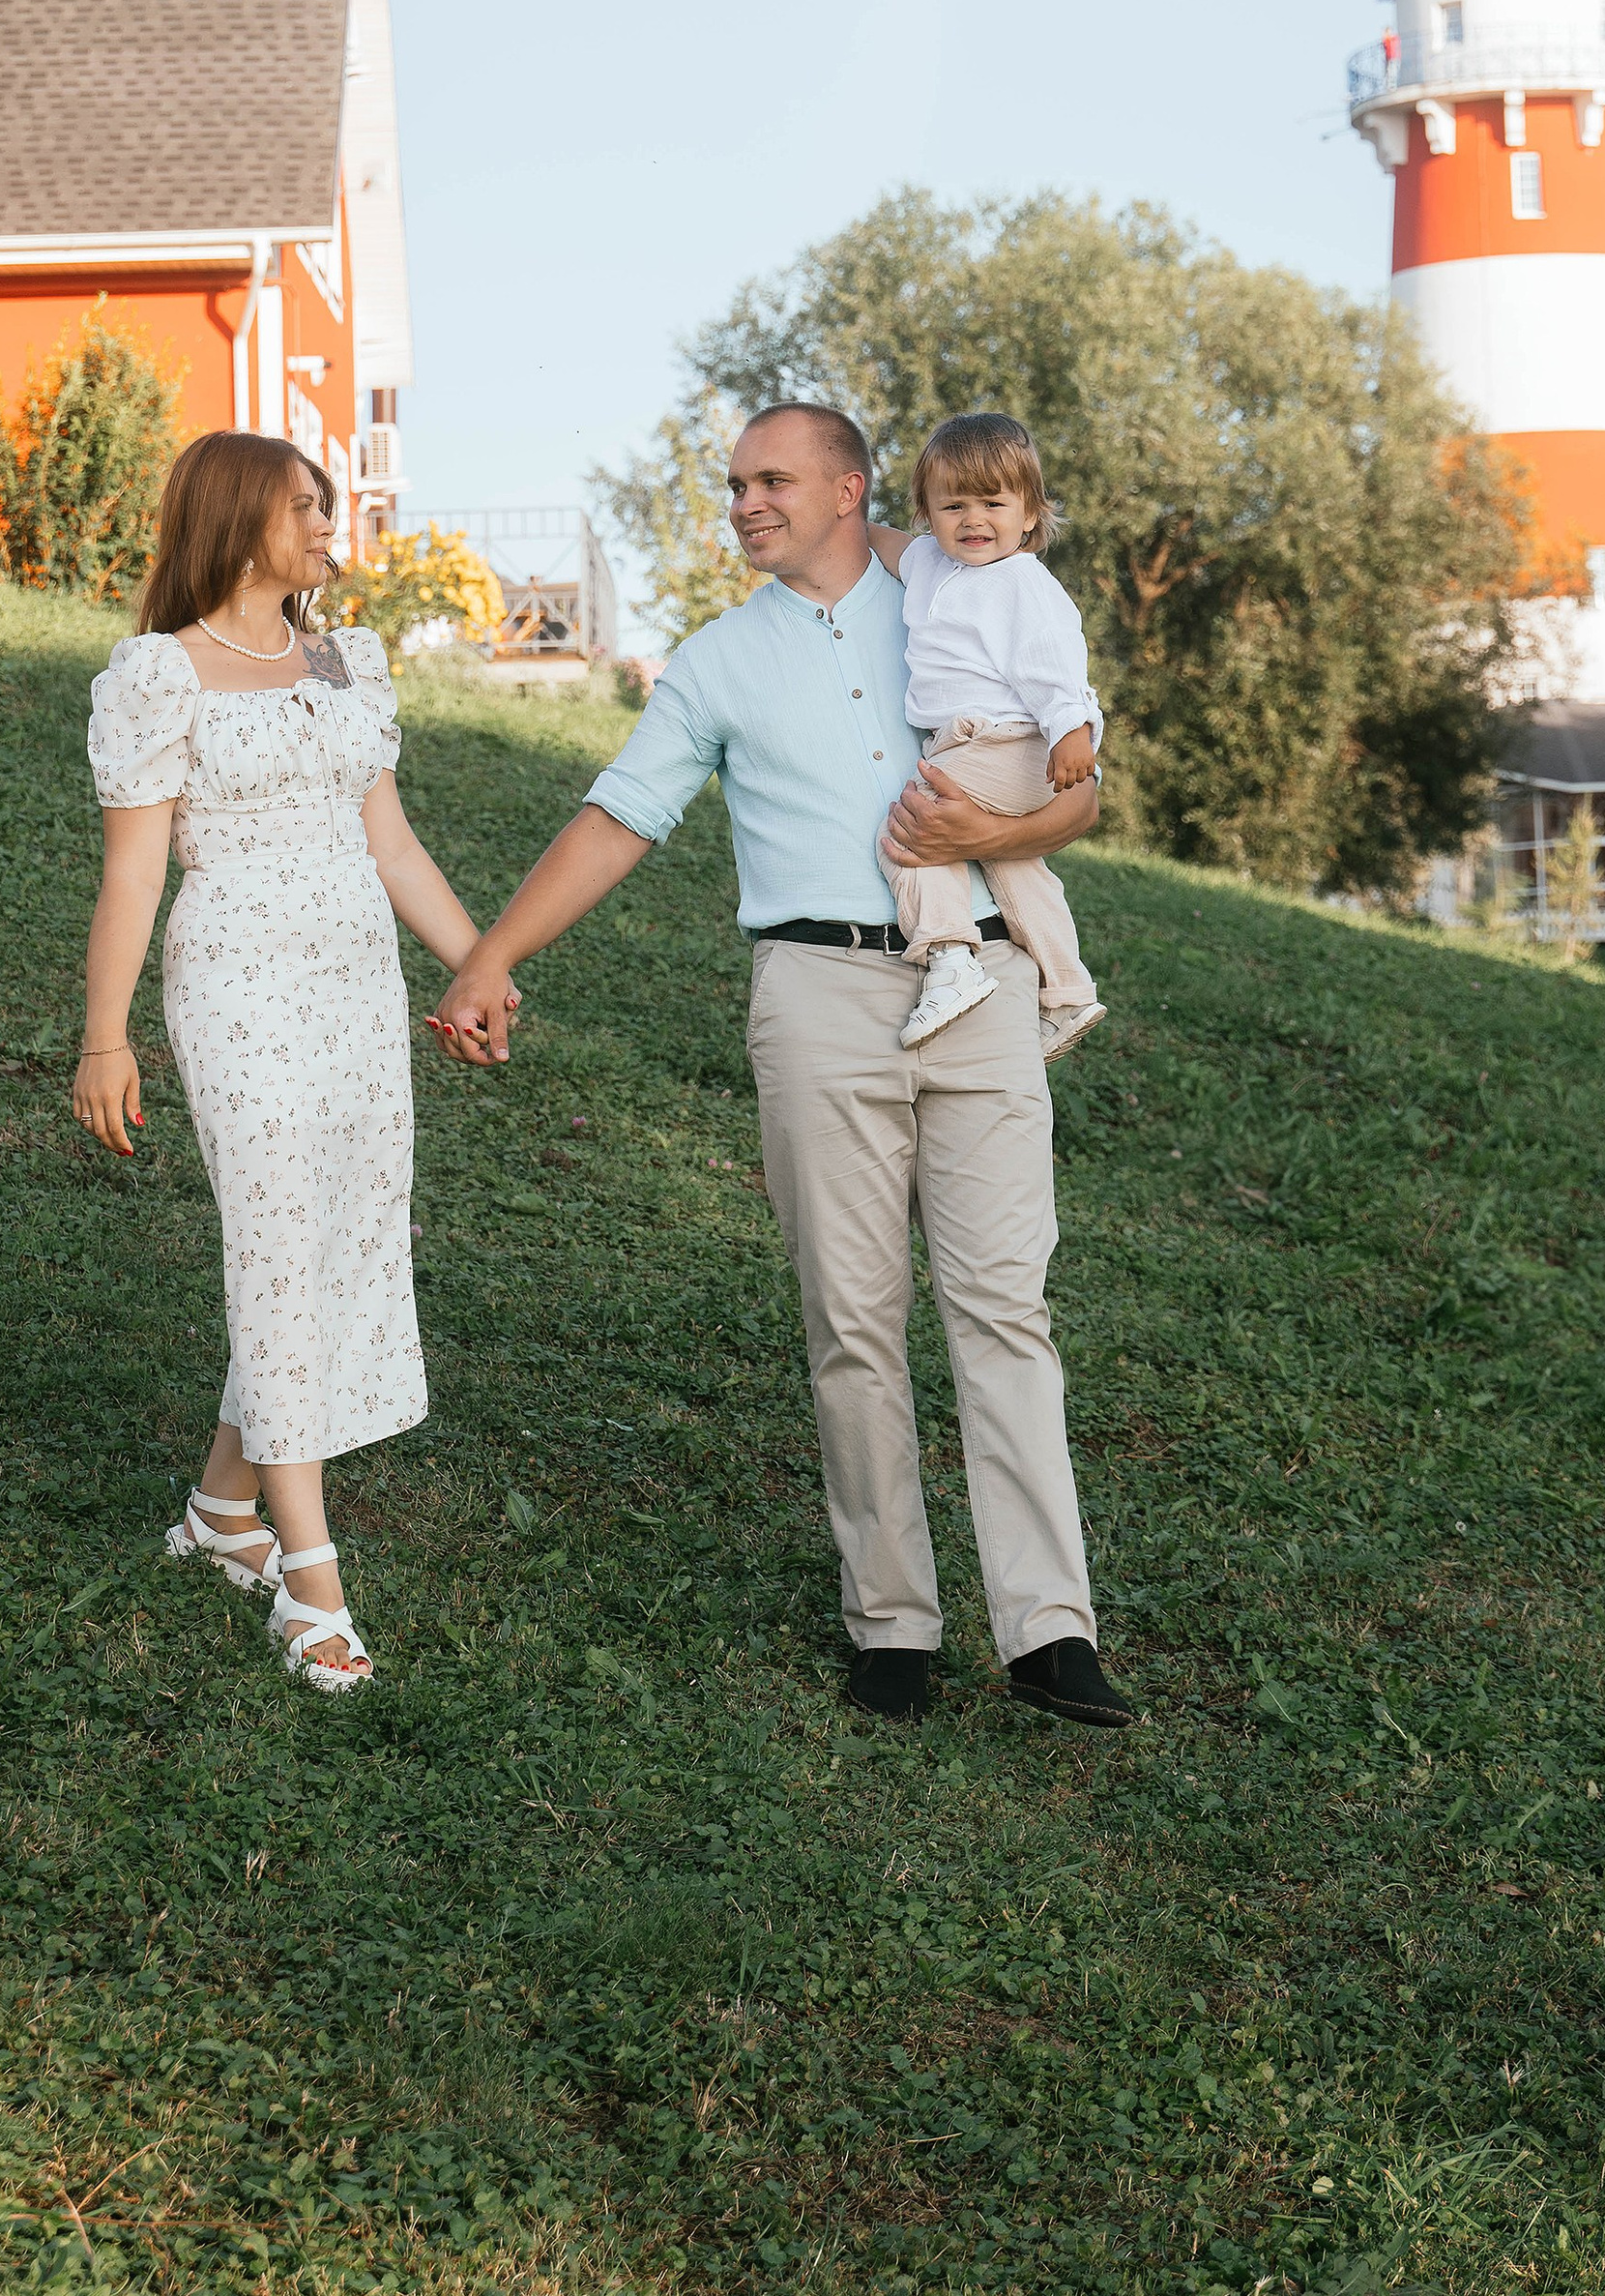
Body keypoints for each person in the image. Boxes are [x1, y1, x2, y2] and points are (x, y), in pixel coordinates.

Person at [434, 402, 1133, 1729]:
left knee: (1005, 1309)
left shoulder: (960, 585)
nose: (745, 503)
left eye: (771, 480)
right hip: (815, 994)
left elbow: (1080, 786)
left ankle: (1049, 1631)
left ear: (848, 488)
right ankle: (893, 1625)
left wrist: (1004, 822)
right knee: (853, 1320)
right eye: (734, 485)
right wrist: (487, 958)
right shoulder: (715, 662)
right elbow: (622, 815)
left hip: (977, 981)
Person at [72, 430, 491, 1698]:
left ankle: (221, 1513)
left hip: (359, 987)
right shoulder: (160, 674)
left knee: (337, 1241)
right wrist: (106, 1035)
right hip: (238, 986)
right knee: (274, 1249)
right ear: (236, 518)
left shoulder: (344, 660)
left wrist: (476, 965)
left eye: (325, 504)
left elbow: (398, 846)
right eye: (303, 506)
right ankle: (310, 1585)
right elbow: (134, 872)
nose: (327, 523)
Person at [862, 409, 1106, 1060]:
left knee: (915, 828)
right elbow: (882, 543)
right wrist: (839, 519)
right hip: (981, 745)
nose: (973, 520)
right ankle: (1068, 990)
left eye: (994, 503)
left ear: (1030, 514)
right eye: (952, 505)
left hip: (1017, 742)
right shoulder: (930, 566)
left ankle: (949, 957)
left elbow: (1054, 660)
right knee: (1012, 861)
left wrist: (1071, 731)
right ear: (928, 514)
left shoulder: (1019, 580)